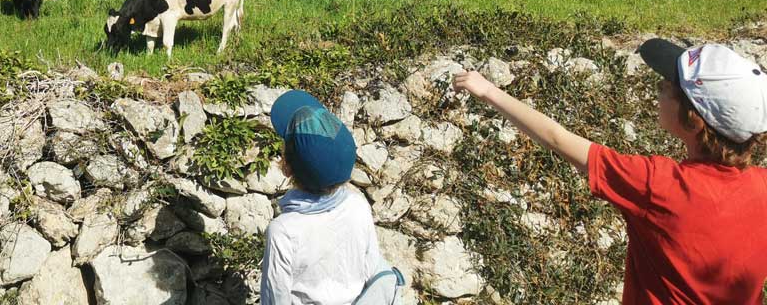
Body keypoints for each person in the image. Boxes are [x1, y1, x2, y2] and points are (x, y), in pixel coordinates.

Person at [454, 39, 767, 304]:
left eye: (668, 86)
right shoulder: (762, 187)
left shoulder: (658, 185)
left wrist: (488, 92)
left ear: (695, 120)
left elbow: (557, 139)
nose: (658, 88)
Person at [261, 90, 391, 305]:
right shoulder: (357, 205)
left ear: (286, 167)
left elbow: (275, 299)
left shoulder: (284, 230)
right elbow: (370, 270)